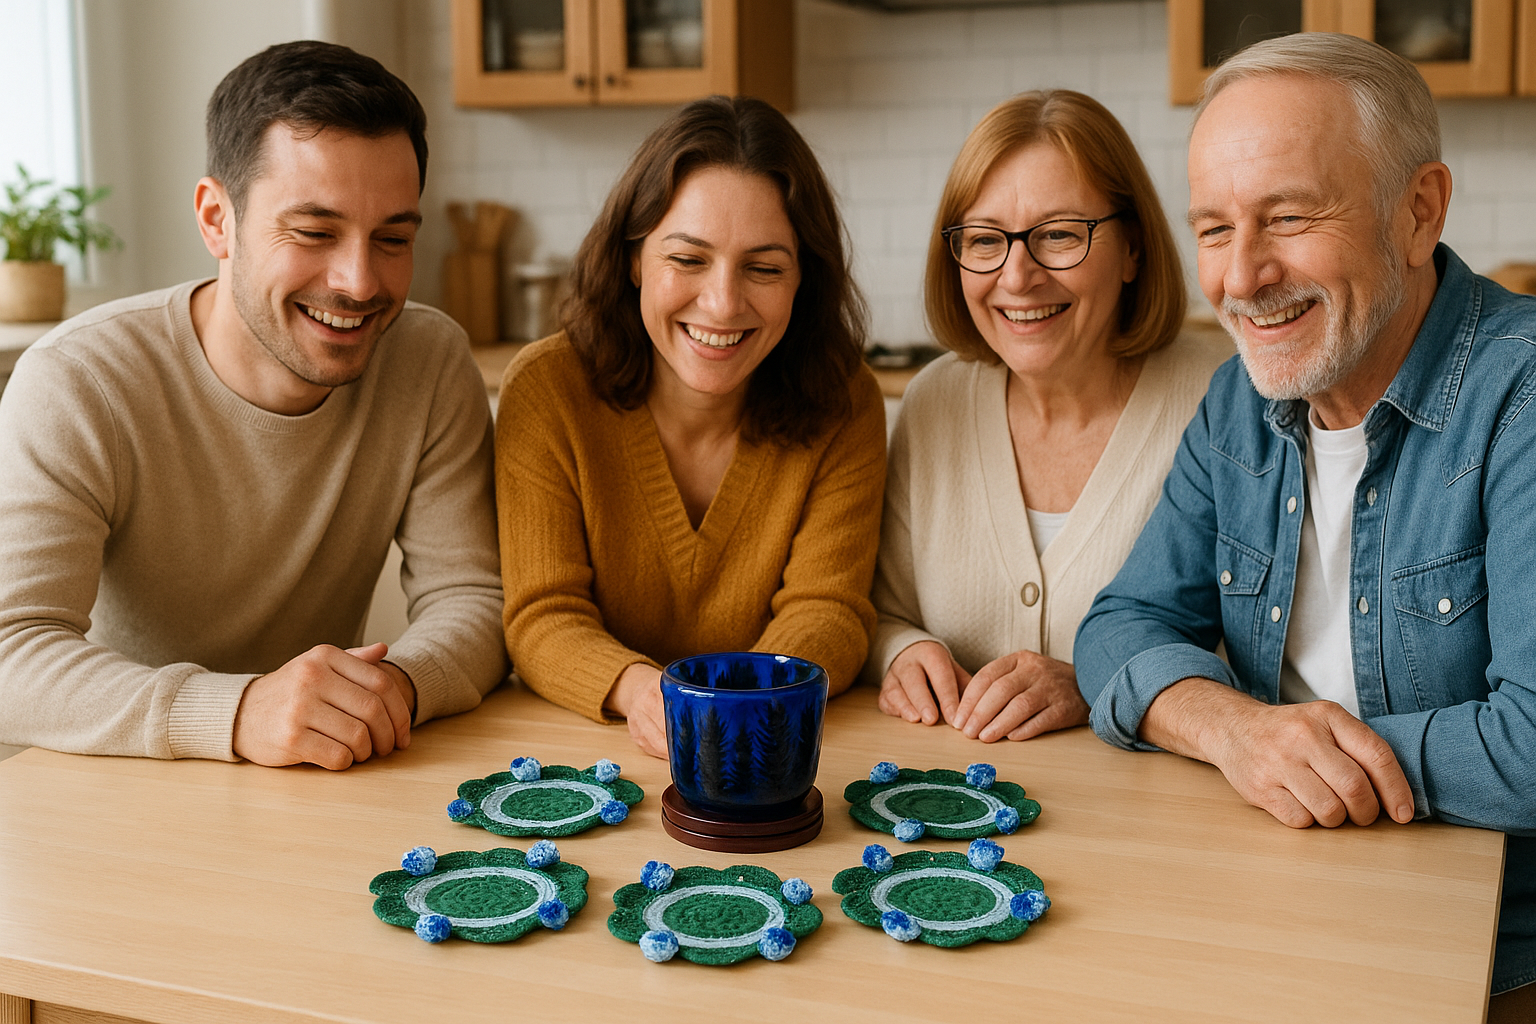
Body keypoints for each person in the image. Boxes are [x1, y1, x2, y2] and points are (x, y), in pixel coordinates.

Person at [1072, 33, 1536, 1012]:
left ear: (1419, 213)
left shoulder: (1522, 397)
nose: (1241, 277)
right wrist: (1238, 731)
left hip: (1480, 960)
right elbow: (1118, 628)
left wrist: (1303, 755)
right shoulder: (1239, 403)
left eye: (1287, 216)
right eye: (1212, 228)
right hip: (1267, 903)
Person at [0, 41, 506, 769]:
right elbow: (13, 654)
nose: (360, 282)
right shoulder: (79, 381)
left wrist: (389, 688)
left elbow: (473, 600)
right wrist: (237, 711)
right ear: (216, 218)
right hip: (119, 788)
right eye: (313, 232)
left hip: (328, 784)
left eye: (393, 238)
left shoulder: (427, 361)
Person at [496, 95, 885, 758]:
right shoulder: (546, 390)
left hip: (773, 744)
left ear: (803, 282)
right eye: (687, 259)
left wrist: (740, 711)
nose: (723, 303)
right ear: (632, 258)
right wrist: (645, 694)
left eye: (764, 268)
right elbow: (542, 616)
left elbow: (831, 611)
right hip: (589, 752)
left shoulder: (844, 399)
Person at [869, 90, 1228, 743]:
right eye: (983, 240)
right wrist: (902, 651)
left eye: (1059, 234)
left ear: (1134, 250)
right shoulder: (932, 403)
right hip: (959, 818)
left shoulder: (1223, 399)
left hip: (1162, 823)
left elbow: (1276, 657)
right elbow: (883, 611)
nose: (1017, 276)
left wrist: (1103, 681)